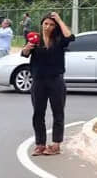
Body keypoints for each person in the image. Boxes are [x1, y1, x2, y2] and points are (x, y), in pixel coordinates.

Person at [21, 11, 74, 156]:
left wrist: (59, 19)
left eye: (51, 24)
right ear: (41, 24)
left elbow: (70, 37)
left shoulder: (59, 39)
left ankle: (56, 144)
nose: (48, 27)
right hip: (38, 80)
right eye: (45, 24)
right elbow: (25, 54)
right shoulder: (35, 38)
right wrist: (27, 48)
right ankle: (40, 144)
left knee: (58, 112)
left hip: (56, 79)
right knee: (38, 113)